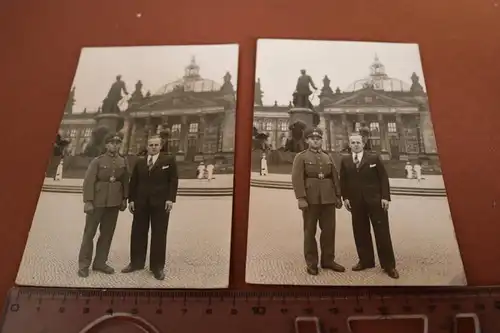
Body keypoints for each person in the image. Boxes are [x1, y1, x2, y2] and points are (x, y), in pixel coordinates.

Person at [339, 133, 399, 279]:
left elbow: (383, 178)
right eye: (353, 142)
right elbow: (343, 180)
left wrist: (385, 197)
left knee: (382, 233)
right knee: (360, 232)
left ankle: (389, 265)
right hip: (356, 202)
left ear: (363, 144)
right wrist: (345, 197)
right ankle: (366, 261)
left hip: (376, 201)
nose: (356, 145)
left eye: (358, 142)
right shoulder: (345, 160)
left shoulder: (373, 158)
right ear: (349, 144)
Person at [122, 136, 179, 280]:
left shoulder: (168, 161)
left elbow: (173, 180)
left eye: (156, 145)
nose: (153, 147)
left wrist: (170, 199)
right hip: (141, 203)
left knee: (159, 234)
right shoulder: (140, 162)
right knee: (138, 233)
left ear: (160, 146)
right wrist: (131, 200)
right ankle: (136, 263)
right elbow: (133, 181)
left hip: (160, 204)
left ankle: (157, 267)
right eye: (151, 145)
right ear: (147, 146)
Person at [291, 127, 345, 276]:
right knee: (310, 231)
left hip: (328, 198)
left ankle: (328, 260)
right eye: (312, 138)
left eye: (318, 138)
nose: (316, 141)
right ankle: (312, 263)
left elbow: (334, 176)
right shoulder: (301, 157)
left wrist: (338, 196)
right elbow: (297, 178)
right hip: (310, 199)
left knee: (329, 231)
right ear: (307, 140)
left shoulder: (328, 156)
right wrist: (301, 198)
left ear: (321, 140)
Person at [78, 133, 129, 278]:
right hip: (97, 202)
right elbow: (88, 182)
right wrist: (88, 201)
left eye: (118, 143)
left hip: (113, 203)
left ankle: (100, 263)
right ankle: (84, 265)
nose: (115, 145)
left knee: (107, 234)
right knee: (89, 234)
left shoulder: (123, 161)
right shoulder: (97, 161)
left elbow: (125, 180)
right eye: (112, 143)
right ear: (106, 145)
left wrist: (124, 198)